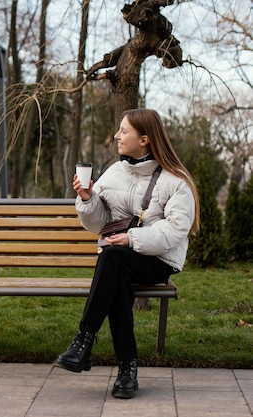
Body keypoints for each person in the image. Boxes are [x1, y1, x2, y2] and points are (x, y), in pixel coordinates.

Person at [53, 109, 200, 399]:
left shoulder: (175, 181)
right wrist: (87, 199)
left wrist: (131, 239)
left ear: (144, 139)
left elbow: (174, 232)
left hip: (157, 260)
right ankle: (125, 372)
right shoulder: (114, 172)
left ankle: (84, 343)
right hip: (119, 257)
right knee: (115, 272)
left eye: (124, 131)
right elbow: (99, 223)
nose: (116, 136)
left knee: (112, 258)